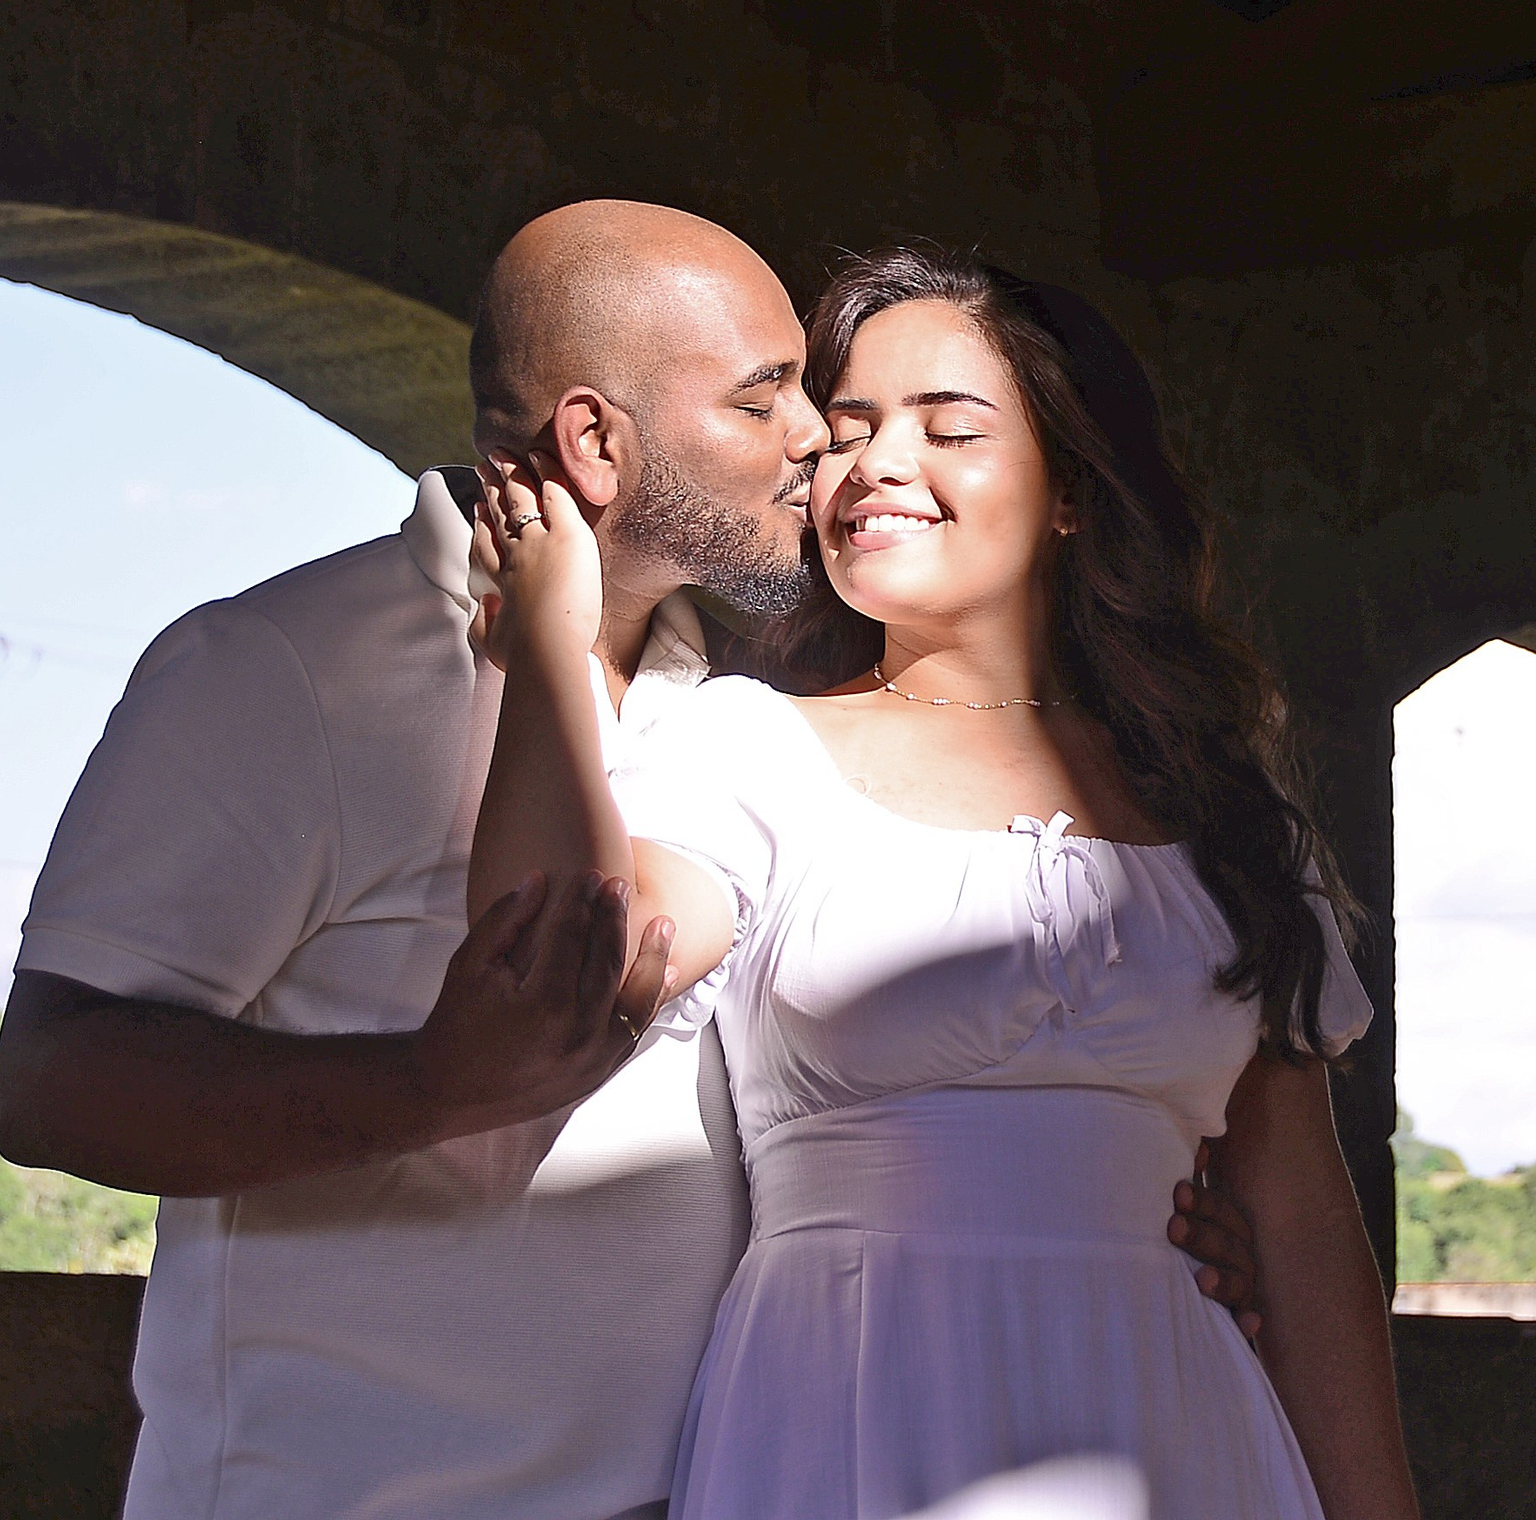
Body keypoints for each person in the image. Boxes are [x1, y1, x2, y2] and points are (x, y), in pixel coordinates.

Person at [0, 202, 1261, 1520]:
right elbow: (51, 1082)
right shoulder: (288, 668)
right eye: (769, 397)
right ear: (598, 438)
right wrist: (429, 1084)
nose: (819, 438)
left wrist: (1156, 1238)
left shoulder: (745, 708)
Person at [470, 245, 1420, 1519]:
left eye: (947, 427)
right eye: (847, 428)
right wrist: (546, 649)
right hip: (849, 1412)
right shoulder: (754, 743)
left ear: (1072, 488)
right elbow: (559, 966)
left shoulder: (1227, 811)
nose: (873, 466)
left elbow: (1302, 1229)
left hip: (1180, 1427)